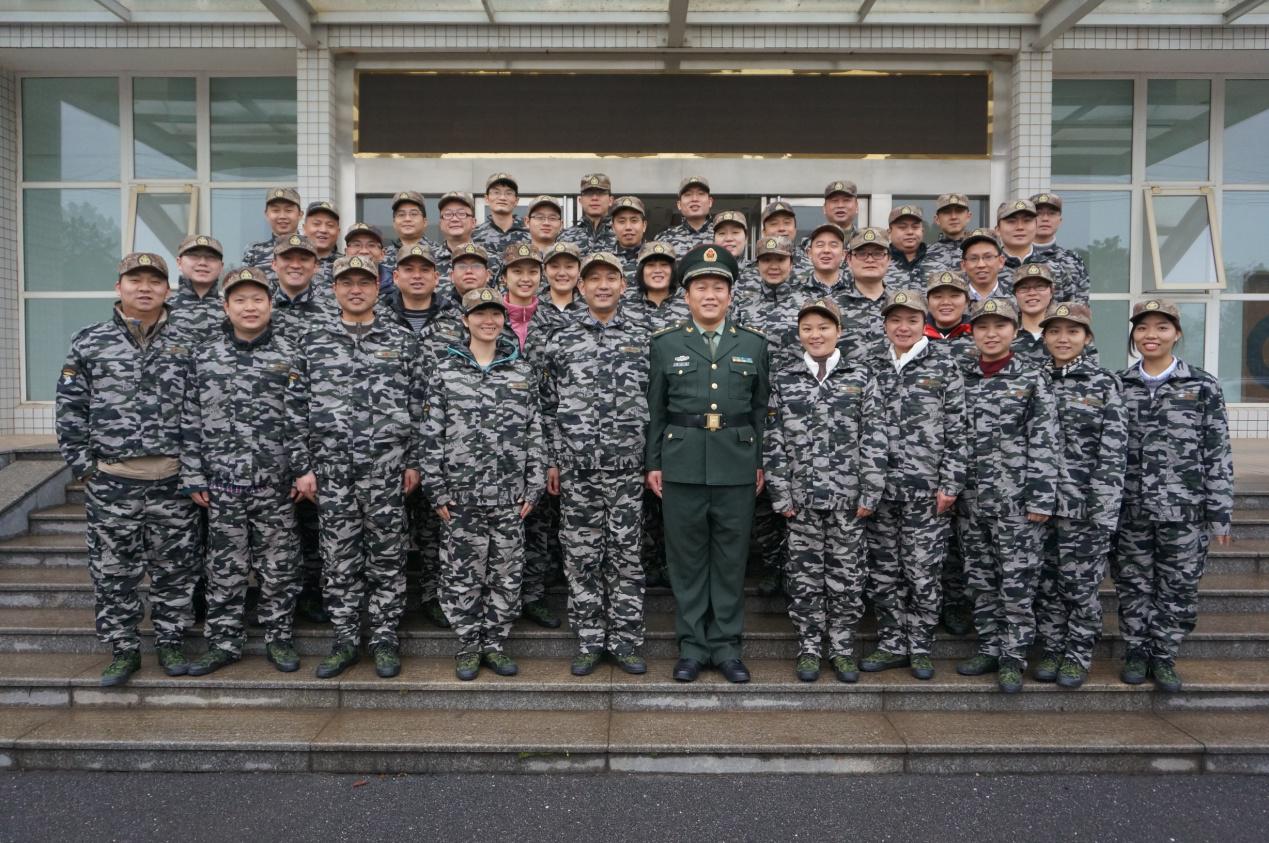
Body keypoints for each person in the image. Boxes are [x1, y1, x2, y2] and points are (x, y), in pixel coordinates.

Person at [55, 252, 202, 686]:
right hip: (113, 480)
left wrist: (195, 469)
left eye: (154, 281)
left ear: (167, 289)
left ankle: (171, 641)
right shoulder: (90, 341)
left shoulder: (190, 341)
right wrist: (84, 468)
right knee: (113, 571)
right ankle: (123, 649)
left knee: (176, 568)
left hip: (173, 479)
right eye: (135, 280)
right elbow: (70, 408)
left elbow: (202, 409)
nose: (145, 288)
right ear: (118, 287)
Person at [287, 255, 425, 680]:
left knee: (387, 558)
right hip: (332, 472)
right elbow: (295, 408)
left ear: (377, 287)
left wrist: (415, 461)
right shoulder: (312, 340)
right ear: (334, 288)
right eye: (347, 282)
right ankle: (346, 639)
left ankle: (384, 639)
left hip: (387, 470)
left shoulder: (401, 339)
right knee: (339, 560)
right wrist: (302, 467)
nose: (355, 289)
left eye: (364, 282)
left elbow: (419, 405)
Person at [645, 244, 769, 684]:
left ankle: (727, 646)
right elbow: (656, 410)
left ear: (731, 295)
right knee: (687, 560)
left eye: (718, 287)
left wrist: (759, 461)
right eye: (701, 287)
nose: (710, 295)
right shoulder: (665, 344)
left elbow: (761, 409)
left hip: (736, 464)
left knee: (731, 559)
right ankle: (693, 647)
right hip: (681, 464)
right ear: (686, 295)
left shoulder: (753, 343)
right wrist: (653, 462)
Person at [179, 266, 303, 675]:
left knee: (279, 566)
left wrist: (302, 470)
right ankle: (223, 642)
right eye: (240, 300)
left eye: (257, 299)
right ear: (226, 306)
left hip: (276, 483)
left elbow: (304, 418)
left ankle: (278, 637)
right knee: (224, 568)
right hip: (223, 484)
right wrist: (193, 475)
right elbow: (191, 419)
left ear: (270, 304)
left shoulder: (291, 353)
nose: (250, 307)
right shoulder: (205, 356)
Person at [421, 287, 547, 680]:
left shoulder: (520, 371)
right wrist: (435, 489)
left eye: (495, 314)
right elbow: (431, 434)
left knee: (506, 573)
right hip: (460, 496)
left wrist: (534, 484)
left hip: (509, 494)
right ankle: (467, 646)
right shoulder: (445, 371)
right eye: (479, 314)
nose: (488, 321)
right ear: (465, 320)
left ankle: (494, 644)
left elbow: (534, 432)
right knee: (462, 574)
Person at [764, 296, 886, 683]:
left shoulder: (861, 376)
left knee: (847, 578)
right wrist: (780, 493)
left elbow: (873, 438)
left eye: (823, 327)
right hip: (801, 500)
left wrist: (870, 491)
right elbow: (774, 441)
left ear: (839, 331)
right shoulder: (785, 379)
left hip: (848, 500)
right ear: (799, 334)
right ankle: (810, 647)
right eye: (807, 329)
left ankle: (843, 649)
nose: (815, 335)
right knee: (804, 577)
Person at [1114, 298, 1233, 692]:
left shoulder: (1201, 385)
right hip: (1131, 508)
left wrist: (1220, 513)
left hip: (1185, 510)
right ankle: (1136, 652)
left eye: (1162, 327)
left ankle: (1163, 655)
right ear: (1134, 334)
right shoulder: (1118, 385)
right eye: (1143, 327)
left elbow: (1217, 452)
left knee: (1178, 586)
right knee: (1133, 584)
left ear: (1177, 334)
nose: (1152, 335)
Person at [542, 252, 651, 676]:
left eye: (610, 278)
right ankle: (590, 640)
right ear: (581, 287)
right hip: (577, 469)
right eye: (594, 279)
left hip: (627, 469)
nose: (602, 286)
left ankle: (625, 641)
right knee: (581, 556)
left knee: (626, 556)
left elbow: (657, 402)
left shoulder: (644, 335)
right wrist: (553, 459)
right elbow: (547, 406)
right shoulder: (560, 339)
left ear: (623, 285)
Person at [955, 297, 1060, 694]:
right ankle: (988, 647)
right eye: (983, 327)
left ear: (1014, 330)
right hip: (971, 500)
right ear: (972, 332)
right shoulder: (962, 376)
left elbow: (1045, 441)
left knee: (1016, 582)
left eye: (999, 326)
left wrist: (1041, 499)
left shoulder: (1031, 378)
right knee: (980, 580)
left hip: (1016, 502)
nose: (991, 334)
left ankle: (1013, 656)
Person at [863, 289, 967, 681]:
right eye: (895, 320)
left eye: (911, 320)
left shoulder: (945, 364)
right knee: (884, 573)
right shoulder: (870, 363)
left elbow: (958, 428)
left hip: (927, 492)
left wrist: (951, 483)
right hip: (880, 490)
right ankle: (892, 643)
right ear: (885, 324)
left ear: (924, 323)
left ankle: (920, 646)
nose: (902, 327)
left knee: (923, 573)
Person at [1032, 301, 1126, 689]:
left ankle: (1076, 654)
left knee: (1080, 586)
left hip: (1084, 506)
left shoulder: (1104, 384)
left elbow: (1113, 451)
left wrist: (1103, 510)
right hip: (1037, 505)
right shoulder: (1034, 379)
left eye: (1072, 332)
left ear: (1087, 338)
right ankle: (1051, 648)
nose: (1063, 339)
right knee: (1045, 583)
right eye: (1054, 331)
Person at [377, 242, 462, 631]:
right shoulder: (377, 319)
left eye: (424, 270)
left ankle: (433, 596)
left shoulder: (455, 322)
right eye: (408, 269)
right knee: (387, 532)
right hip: (386, 445)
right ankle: (389, 607)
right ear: (395, 276)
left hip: (441, 443)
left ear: (437, 277)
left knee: (435, 527)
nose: (416, 275)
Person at [837, 227, 892, 363]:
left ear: (889, 259)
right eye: (862, 254)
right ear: (849, 259)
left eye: (878, 254)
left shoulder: (903, 304)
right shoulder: (832, 306)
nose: (870, 259)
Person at [1030, 192, 1091, 304]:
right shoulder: (1015, 258)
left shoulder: (1073, 260)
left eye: (1052, 213)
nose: (1045, 218)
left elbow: (1082, 305)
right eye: (1038, 213)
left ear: (1060, 220)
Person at [168, 234, 226, 341]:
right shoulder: (162, 309)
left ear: (221, 266)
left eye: (211, 257)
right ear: (179, 262)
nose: (202, 263)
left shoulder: (233, 310)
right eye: (194, 256)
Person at [624, 240, 688, 334]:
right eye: (651, 265)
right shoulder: (625, 307)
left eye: (664, 265)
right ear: (641, 271)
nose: (658, 270)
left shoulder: (689, 305)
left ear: (673, 270)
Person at [241, 187, 302, 280]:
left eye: (288, 210)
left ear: (300, 215)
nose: (282, 216)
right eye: (276, 210)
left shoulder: (311, 249)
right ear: (266, 214)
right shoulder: (254, 252)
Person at [1010, 263, 1056, 366]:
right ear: (1015, 294)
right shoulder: (1005, 335)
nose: (1032, 293)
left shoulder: (1064, 334)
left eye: (1040, 286)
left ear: (1051, 292)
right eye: (1023, 288)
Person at [799, 180, 860, 257]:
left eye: (846, 200)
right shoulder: (807, 242)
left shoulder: (866, 241)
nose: (840, 205)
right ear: (824, 208)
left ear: (857, 207)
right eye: (834, 201)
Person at [655, 176, 715, 255]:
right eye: (688, 194)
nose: (694, 199)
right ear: (679, 204)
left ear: (710, 202)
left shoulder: (723, 236)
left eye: (701, 194)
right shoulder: (664, 238)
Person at [472, 171, 528, 255]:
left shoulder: (530, 232)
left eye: (508, 193)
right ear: (487, 198)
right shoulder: (475, 235)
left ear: (516, 200)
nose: (502, 198)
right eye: (496, 192)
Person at [559, 173, 616, 253]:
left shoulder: (622, 234)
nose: (594, 198)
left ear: (610, 200)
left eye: (600, 193)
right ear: (580, 201)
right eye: (589, 194)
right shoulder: (566, 236)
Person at [433, 192, 481, 282]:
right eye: (448, 214)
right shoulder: (428, 259)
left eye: (461, 213)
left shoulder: (491, 260)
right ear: (440, 223)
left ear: (473, 222)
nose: (454, 219)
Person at [923, 269, 974, 352]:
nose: (946, 302)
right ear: (927, 302)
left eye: (954, 296)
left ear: (967, 301)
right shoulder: (916, 334)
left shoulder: (978, 333)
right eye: (938, 296)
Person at [383, 190, 433, 274]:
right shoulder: (383, 256)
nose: (407, 219)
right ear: (394, 223)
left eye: (413, 214)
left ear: (425, 222)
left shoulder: (441, 254)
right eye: (401, 215)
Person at [883, 204, 931, 291]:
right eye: (902, 227)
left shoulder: (937, 259)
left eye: (915, 227)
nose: (910, 232)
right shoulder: (878, 263)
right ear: (889, 232)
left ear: (922, 231)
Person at [960, 228, 1012, 302]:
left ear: (1001, 261)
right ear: (963, 265)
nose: (981, 265)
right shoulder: (955, 300)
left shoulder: (1017, 297)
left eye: (988, 257)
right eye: (973, 258)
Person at [925, 193, 974, 272]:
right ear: (937, 220)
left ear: (968, 216)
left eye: (959, 211)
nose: (953, 217)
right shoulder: (924, 255)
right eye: (946, 212)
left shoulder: (982, 252)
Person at [302, 200, 343, 285]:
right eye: (316, 224)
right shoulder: (292, 262)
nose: (323, 230)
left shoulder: (346, 264)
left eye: (330, 225)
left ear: (338, 232)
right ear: (304, 228)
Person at [344, 222, 393, 291]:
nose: (364, 251)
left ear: (382, 254)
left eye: (371, 245)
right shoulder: (332, 279)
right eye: (356, 245)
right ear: (346, 252)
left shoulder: (397, 283)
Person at [611, 195, 649, 277]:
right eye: (622, 221)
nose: (628, 227)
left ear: (644, 226)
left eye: (634, 220)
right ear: (613, 227)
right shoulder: (604, 258)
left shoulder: (656, 257)